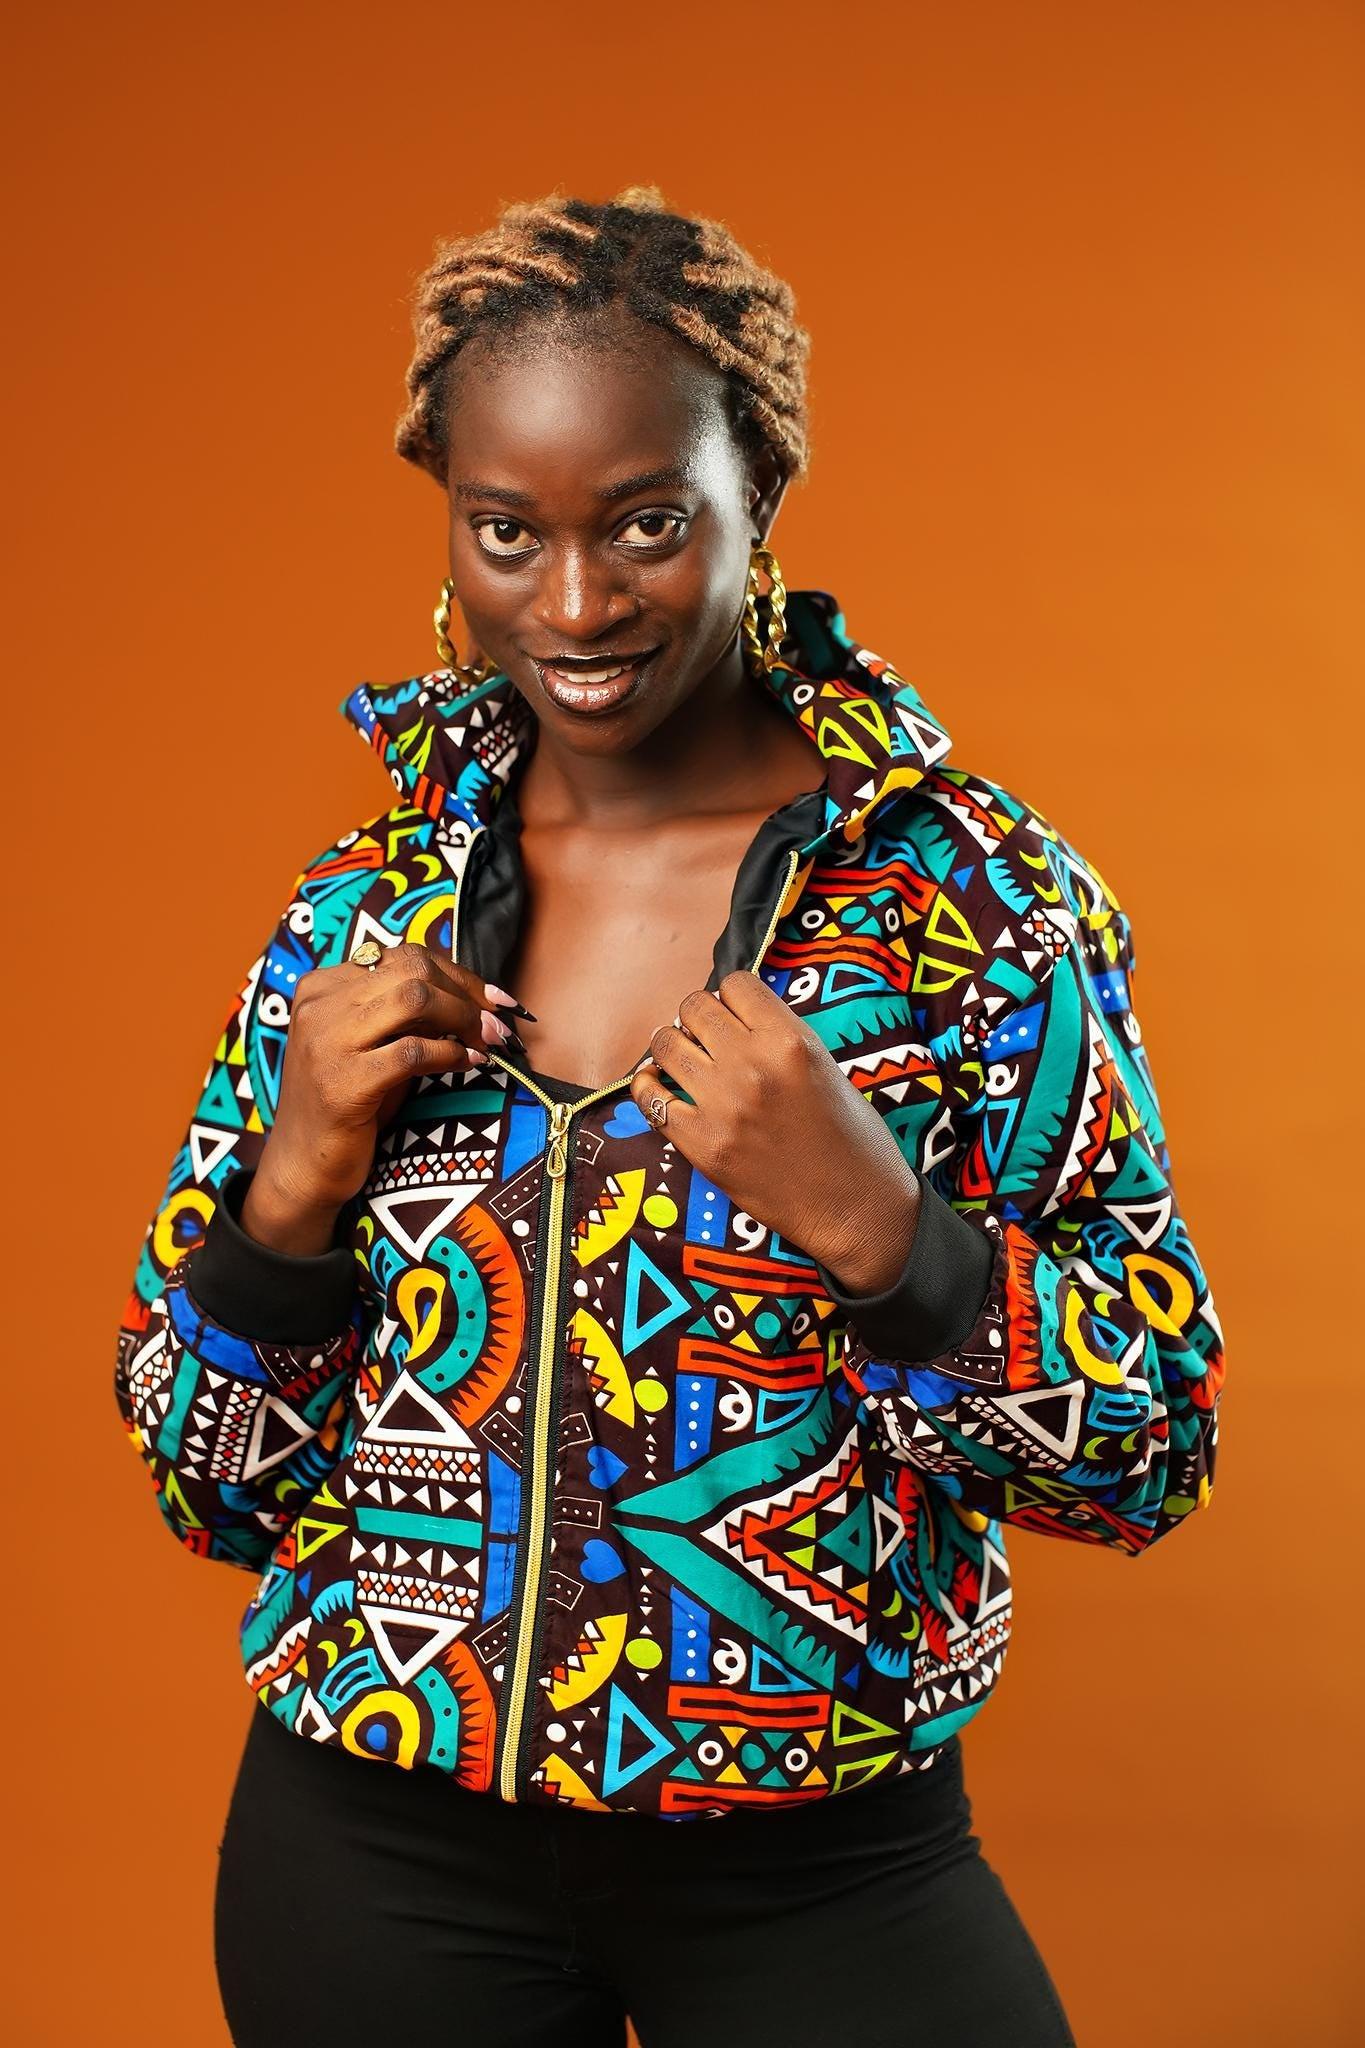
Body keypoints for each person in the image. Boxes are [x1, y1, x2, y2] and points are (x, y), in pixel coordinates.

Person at [113, 186, 1224, 2047]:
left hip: (821, 1870)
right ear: (449, 531)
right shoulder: (363, 907)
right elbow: (205, 1480)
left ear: (756, 504)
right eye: (506, 533)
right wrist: (296, 1180)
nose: (572, 606)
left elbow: (1151, 1453)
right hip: (372, 1866)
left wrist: (895, 1240)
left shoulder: (966, 907)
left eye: (644, 525)